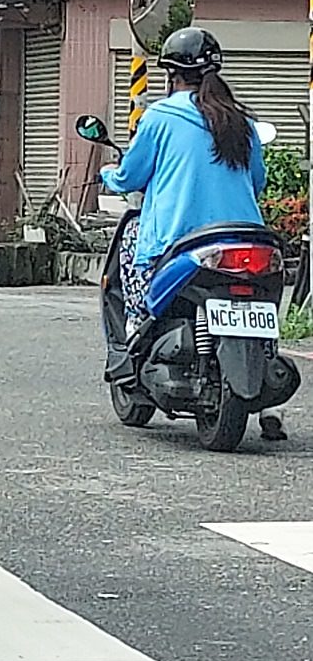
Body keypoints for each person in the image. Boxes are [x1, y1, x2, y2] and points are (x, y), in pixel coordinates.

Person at [101, 27, 284, 439]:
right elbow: (257, 182)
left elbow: (131, 175)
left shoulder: (160, 117)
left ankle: (134, 337)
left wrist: (108, 174)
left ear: (171, 74)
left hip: (181, 243)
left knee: (132, 254)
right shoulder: (243, 122)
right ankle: (269, 398)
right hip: (248, 238)